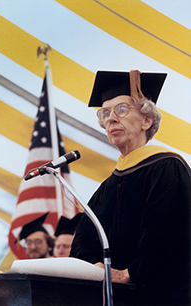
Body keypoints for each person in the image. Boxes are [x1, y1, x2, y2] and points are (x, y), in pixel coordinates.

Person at [70, 70, 191, 305]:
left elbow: (171, 240)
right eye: (105, 113)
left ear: (147, 120)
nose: (111, 119)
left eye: (121, 109)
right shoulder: (108, 185)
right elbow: (83, 242)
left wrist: (129, 274)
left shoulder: (167, 168)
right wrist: (89, 269)